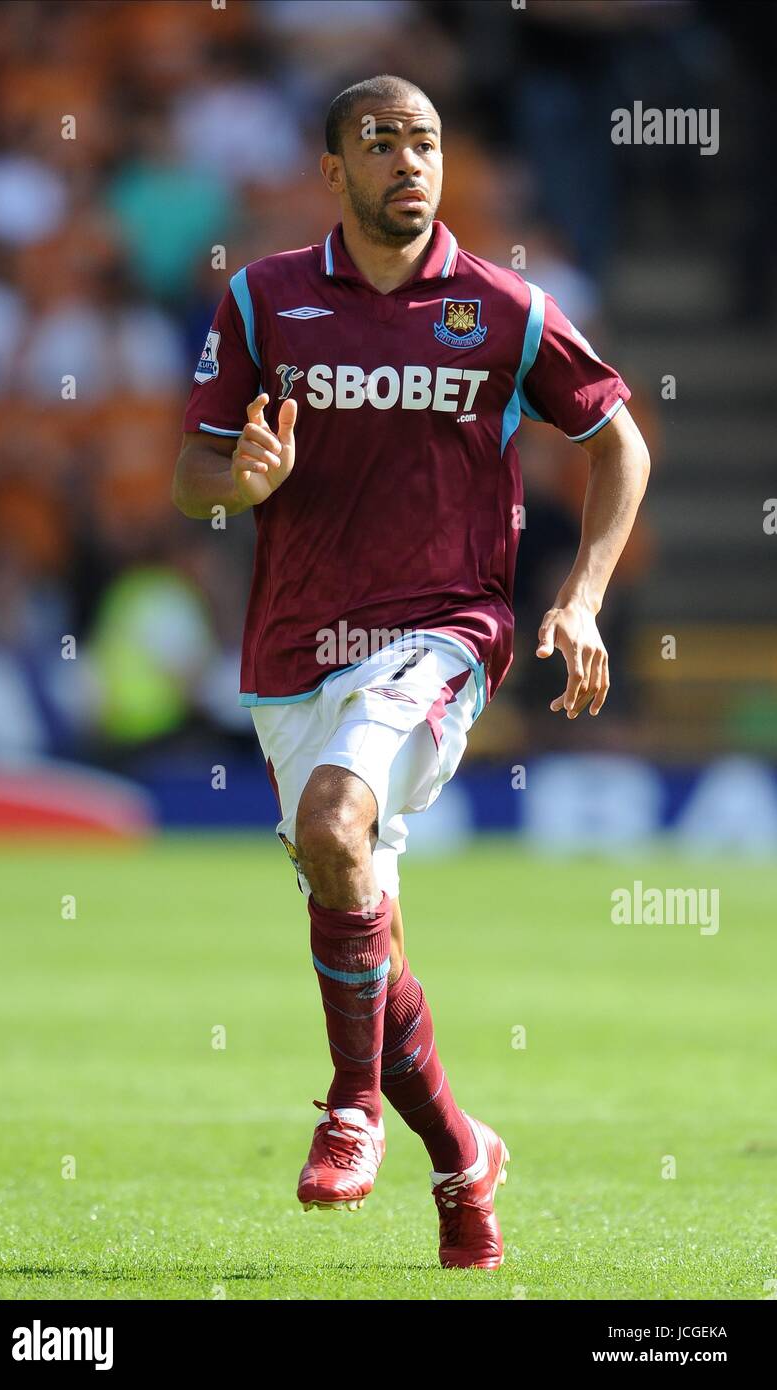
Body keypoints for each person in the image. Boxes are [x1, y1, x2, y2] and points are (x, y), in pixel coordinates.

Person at [173, 74, 650, 1271]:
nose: (408, 162)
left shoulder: (501, 309)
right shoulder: (262, 298)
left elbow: (617, 445)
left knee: (337, 822)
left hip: (445, 632)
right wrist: (242, 484)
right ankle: (460, 1158)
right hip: (292, 658)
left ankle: (343, 1109)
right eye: (379, 143)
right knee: (363, 936)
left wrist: (580, 598)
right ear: (331, 170)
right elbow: (194, 468)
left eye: (425, 142)